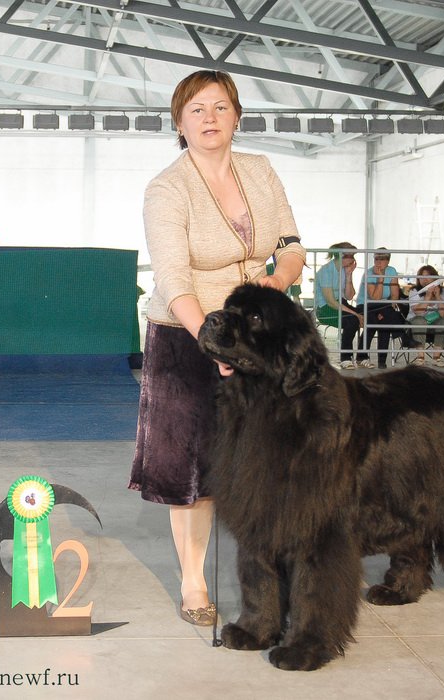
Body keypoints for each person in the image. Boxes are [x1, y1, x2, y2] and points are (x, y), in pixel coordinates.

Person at [128, 70, 306, 627]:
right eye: (197, 109)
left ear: (237, 116)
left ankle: (275, 576)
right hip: (187, 340)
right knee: (193, 471)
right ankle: (192, 581)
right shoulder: (167, 187)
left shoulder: (261, 169)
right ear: (179, 124)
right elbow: (174, 281)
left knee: (269, 461)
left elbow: (292, 245)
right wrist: (215, 346)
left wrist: (275, 288)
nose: (210, 117)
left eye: (220, 106)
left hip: (257, 337)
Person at [355, 248, 420, 369]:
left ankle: (375, 359)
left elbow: (395, 297)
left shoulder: (391, 271)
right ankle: (403, 336)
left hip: (383, 307)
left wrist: (385, 309)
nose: (378, 261)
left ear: (388, 261)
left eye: (382, 259)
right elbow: (374, 297)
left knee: (384, 321)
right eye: (376, 258)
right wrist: (380, 278)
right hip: (365, 305)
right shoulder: (368, 273)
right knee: (377, 319)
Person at [314, 243, 366, 369]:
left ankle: (362, 356)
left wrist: (349, 276)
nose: (353, 259)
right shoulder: (325, 271)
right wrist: (355, 314)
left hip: (341, 303)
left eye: (354, 255)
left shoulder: (344, 270)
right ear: (341, 255)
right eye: (351, 255)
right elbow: (331, 301)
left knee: (368, 315)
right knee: (352, 320)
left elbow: (349, 296)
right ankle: (345, 358)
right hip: (325, 308)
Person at [407, 265, 444, 367]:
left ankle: (436, 357)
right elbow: (419, 313)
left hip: (435, 323)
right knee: (419, 320)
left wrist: (438, 296)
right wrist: (427, 297)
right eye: (421, 277)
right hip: (416, 322)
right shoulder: (414, 291)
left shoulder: (443, 292)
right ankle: (420, 357)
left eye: (428, 276)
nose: (425, 280)